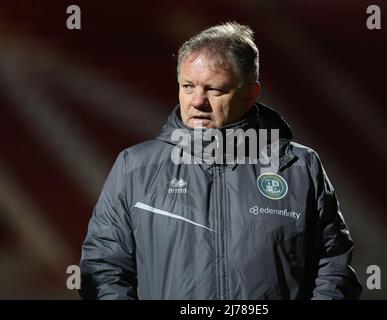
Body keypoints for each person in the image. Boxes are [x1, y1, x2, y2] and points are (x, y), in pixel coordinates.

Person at [79, 22, 362, 300]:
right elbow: (103, 268)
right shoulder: (135, 168)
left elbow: (333, 267)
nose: (197, 101)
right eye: (188, 86)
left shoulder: (299, 167)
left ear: (250, 94)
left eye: (214, 90)